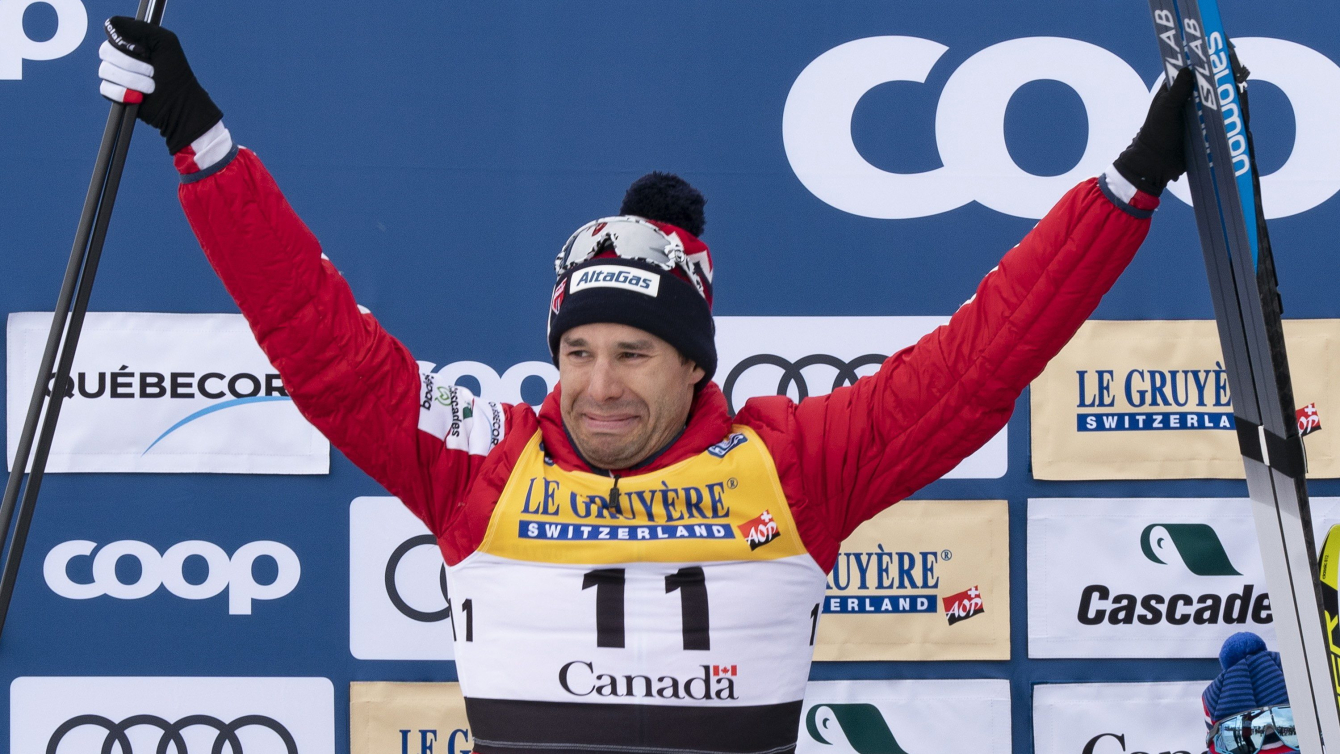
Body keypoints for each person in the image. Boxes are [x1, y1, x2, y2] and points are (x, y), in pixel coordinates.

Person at [96, 16, 1194, 754]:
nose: (598, 385)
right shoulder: (482, 462)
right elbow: (319, 341)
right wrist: (202, 141)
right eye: (577, 352)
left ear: (692, 362)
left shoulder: (793, 466)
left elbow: (980, 359)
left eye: (633, 352)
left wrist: (1126, 186)